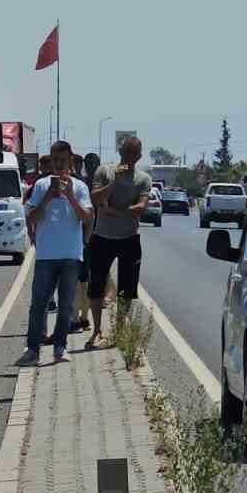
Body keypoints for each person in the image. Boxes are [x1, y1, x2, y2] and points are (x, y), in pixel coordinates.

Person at [18, 141, 92, 367]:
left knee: (66, 305)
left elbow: (86, 218)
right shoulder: (41, 186)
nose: (58, 165)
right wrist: (48, 197)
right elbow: (31, 218)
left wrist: (70, 196)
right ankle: (32, 349)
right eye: (54, 160)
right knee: (38, 304)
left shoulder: (80, 187)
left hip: (71, 254)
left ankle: (60, 347)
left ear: (70, 160)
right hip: (46, 255)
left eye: (62, 160)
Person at [86, 136, 152, 347]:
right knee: (95, 286)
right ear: (119, 151)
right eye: (126, 151)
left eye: (134, 153)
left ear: (139, 156)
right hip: (102, 237)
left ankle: (120, 330)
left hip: (129, 239)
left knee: (127, 289)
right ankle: (96, 330)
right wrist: (114, 182)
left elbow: (140, 209)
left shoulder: (143, 179)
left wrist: (113, 210)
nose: (129, 156)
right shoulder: (104, 172)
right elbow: (96, 199)